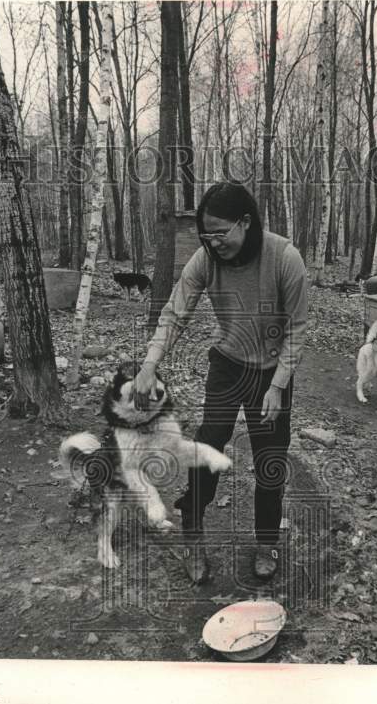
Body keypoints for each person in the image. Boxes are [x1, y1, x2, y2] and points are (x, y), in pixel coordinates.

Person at [134, 181, 308, 584]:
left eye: (220, 233)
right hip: (228, 365)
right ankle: (192, 535)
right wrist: (149, 366)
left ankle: (266, 542)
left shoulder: (285, 258)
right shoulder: (205, 259)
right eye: (205, 236)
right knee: (207, 445)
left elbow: (298, 328)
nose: (213, 243)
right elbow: (174, 314)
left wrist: (279, 384)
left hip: (271, 372)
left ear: (245, 222)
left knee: (269, 459)